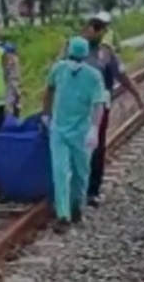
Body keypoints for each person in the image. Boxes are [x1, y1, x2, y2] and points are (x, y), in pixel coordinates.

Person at [68, 13, 144, 207]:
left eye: (103, 30)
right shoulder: (74, 49)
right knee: (75, 146)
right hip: (76, 107)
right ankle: (74, 187)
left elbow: (123, 76)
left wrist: (137, 95)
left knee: (96, 147)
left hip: (98, 109)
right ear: (89, 29)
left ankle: (92, 191)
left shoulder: (106, 53)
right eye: (98, 29)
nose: (101, 33)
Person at [42, 36, 106, 234]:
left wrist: (94, 128)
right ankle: (63, 215)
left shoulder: (93, 76)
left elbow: (98, 104)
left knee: (81, 171)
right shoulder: (59, 69)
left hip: (81, 131)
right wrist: (46, 114)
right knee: (60, 171)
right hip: (59, 129)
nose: (73, 62)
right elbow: (49, 89)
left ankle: (77, 206)